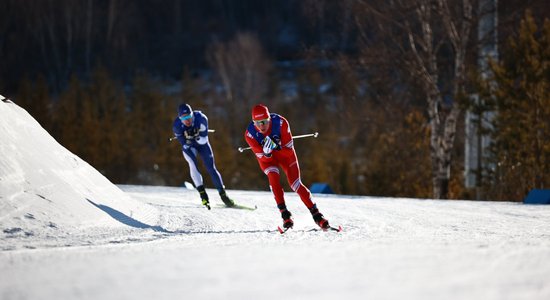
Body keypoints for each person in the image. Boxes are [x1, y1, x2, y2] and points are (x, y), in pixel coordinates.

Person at [244, 104, 329, 229]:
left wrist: (276, 147)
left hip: (284, 155)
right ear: (253, 123)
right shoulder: (249, 134)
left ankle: (317, 215)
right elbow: (261, 158)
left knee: (295, 184)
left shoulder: (281, 123)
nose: (261, 126)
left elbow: (288, 151)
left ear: (269, 119)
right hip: (268, 160)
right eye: (257, 123)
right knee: (273, 177)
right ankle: (285, 214)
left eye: (264, 122)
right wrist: (267, 153)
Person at [173, 103, 234, 209]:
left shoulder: (201, 118)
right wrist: (188, 139)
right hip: (190, 147)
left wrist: (194, 136)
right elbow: (185, 145)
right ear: (180, 118)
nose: (187, 120)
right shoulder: (177, 126)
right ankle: (203, 195)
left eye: (189, 117)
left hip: (202, 144)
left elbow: (203, 140)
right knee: (193, 164)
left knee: (211, 168)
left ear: (192, 115)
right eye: (184, 118)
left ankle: (223, 195)